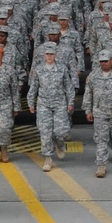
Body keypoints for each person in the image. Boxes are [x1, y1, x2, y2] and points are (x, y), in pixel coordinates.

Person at [27, 41, 75, 173]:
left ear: (55, 55)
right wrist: (31, 103)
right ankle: (48, 158)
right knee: (45, 132)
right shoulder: (38, 69)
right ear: (44, 55)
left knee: (61, 131)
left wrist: (70, 102)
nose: (49, 56)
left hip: (59, 103)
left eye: (51, 54)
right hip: (44, 104)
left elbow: (69, 87)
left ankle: (59, 144)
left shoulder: (62, 68)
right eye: (47, 54)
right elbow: (34, 87)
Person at [83, 49, 112, 178]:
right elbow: (88, 93)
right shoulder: (93, 76)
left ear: (111, 60)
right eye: (101, 61)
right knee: (101, 140)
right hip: (99, 113)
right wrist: (88, 110)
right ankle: (101, 165)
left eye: (106, 61)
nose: (103, 63)